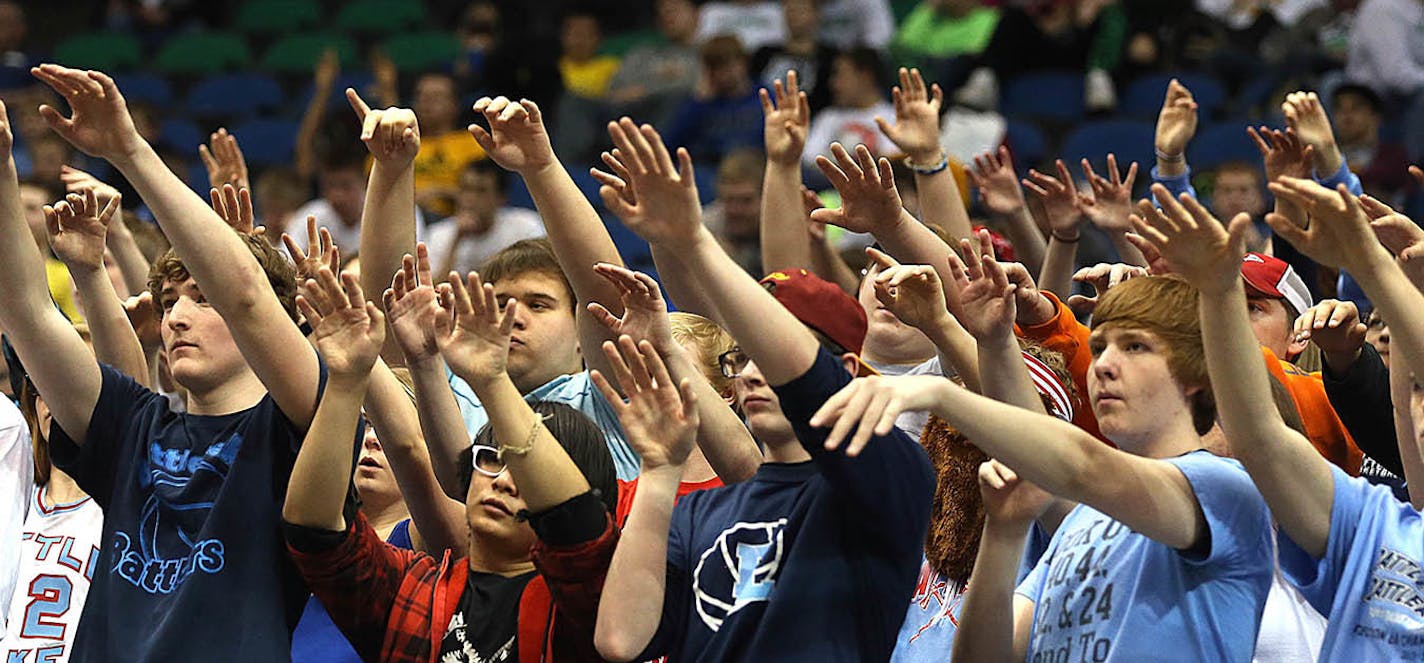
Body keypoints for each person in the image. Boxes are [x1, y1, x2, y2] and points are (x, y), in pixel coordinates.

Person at [8, 64, 348, 660]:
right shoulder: (131, 425)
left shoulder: (299, 420)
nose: (177, 318)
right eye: (169, 302)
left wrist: (128, 151)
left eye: (201, 298)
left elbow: (246, 294)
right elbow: (28, 313)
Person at [592, 116, 933, 662]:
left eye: (768, 354)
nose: (753, 371)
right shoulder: (700, 511)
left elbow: (803, 378)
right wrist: (659, 472)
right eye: (741, 357)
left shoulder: (887, 476)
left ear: (845, 369)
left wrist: (692, 241)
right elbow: (620, 641)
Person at [812, 262, 1276, 660]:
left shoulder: (1225, 489)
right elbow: (982, 659)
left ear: (1198, 374)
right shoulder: (1080, 523)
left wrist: (940, 393)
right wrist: (1005, 532)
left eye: (1135, 347)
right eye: (1099, 348)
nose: (1104, 366)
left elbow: (1080, 465)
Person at [1142, 171, 1424, 659]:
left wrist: (1381, 268)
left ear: (1297, 334)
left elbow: (1262, 423)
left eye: (1251, 308)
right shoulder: (1375, 522)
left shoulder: (1321, 405)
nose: (1418, 413)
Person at [283, 262, 619, 663]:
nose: (503, 482)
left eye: (526, 471)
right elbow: (313, 531)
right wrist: (345, 380)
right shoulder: (412, 589)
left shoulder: (588, 608)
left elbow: (579, 531)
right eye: (491, 460)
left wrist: (491, 381)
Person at [5, 329, 103, 663]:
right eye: (44, 383)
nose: (58, 394)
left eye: (76, 377)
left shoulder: (124, 506)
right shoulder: (13, 502)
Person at [423, 160, 545, 278]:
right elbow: (432, 290)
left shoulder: (525, 228)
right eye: (465, 189)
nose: (470, 198)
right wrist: (456, 239)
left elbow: (540, 277)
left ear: (500, 197)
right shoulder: (438, 234)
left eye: (481, 191)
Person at [662, 36, 765, 167]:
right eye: (717, 68)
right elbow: (668, 146)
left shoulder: (763, 96)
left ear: (744, 63)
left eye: (729, 65)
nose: (725, 74)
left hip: (753, 169)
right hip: (710, 169)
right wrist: (698, 103)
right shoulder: (701, 103)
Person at [801, 49, 895, 172]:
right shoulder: (828, 118)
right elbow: (809, 160)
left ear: (865, 76)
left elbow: (893, 161)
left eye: (840, 75)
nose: (833, 84)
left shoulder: (893, 117)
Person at [410, 72, 486, 218]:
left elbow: (485, 195)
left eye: (436, 97)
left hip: (457, 220)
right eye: (421, 96)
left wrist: (440, 192)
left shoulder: (474, 142)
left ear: (455, 105)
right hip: (405, 220)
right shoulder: (402, 144)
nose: (426, 102)